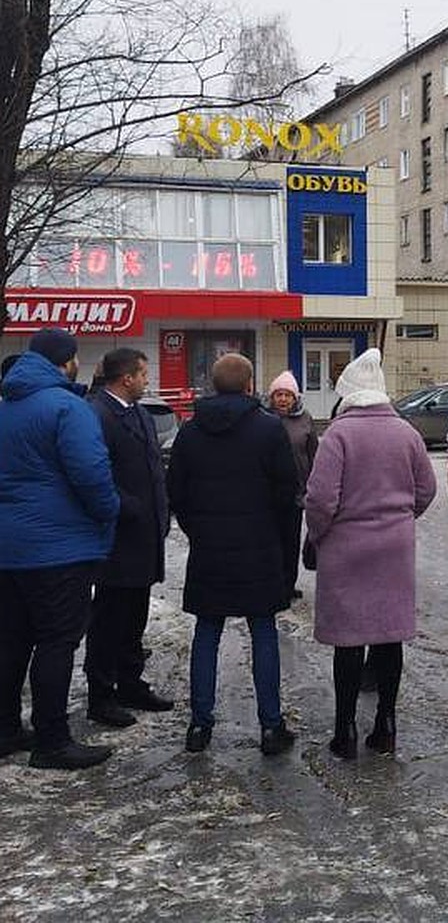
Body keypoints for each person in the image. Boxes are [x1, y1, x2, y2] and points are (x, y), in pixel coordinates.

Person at [304, 349, 436, 759]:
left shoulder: (338, 436)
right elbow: (427, 489)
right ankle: (386, 723)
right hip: (394, 549)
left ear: (348, 394)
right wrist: (399, 517)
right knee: (388, 636)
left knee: (348, 642)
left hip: (346, 548)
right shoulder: (407, 433)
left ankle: (345, 730)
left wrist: (318, 536)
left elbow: (321, 499)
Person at [167, 353, 298, 756]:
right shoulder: (269, 429)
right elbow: (286, 491)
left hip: (209, 548)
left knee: (207, 633)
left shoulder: (190, 431)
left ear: (213, 384)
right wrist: (275, 536)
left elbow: (177, 492)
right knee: (263, 632)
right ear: (249, 385)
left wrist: (199, 529)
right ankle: (271, 726)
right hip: (258, 546)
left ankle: (199, 725)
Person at [0, 328, 120, 770]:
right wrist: (108, 512)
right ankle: (52, 740)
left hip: (8, 547)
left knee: (10, 640)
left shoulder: (6, 406)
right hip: (58, 549)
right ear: (66, 361)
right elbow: (92, 475)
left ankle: (7, 728)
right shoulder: (68, 407)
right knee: (57, 641)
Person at [84, 348, 173, 729]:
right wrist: (129, 506)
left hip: (145, 534)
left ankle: (130, 682)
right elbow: (93, 474)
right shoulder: (97, 414)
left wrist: (161, 511)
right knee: (109, 617)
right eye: (143, 374)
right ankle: (101, 695)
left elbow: (153, 468)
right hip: (117, 536)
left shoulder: (140, 413)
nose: (146, 379)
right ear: (125, 378)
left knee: (135, 613)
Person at [266, 370, 318, 600]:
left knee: (290, 540)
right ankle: (272, 583)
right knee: (270, 541)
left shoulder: (305, 419)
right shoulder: (263, 419)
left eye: (288, 394)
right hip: (268, 493)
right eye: (279, 394)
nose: (283, 399)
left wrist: (313, 485)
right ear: (272, 397)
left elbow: (313, 454)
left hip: (297, 492)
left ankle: (288, 584)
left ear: (295, 397)